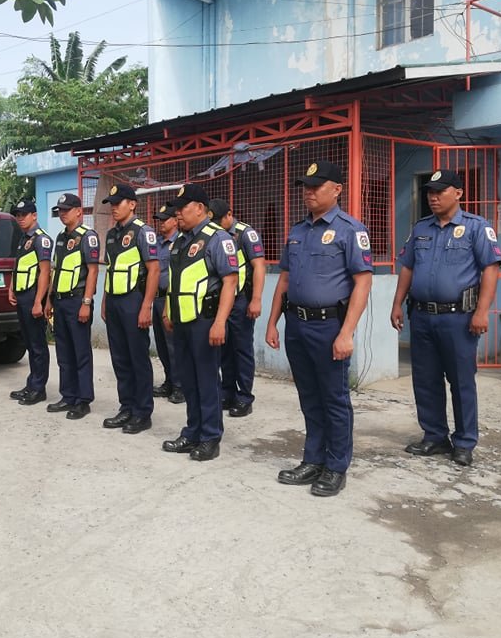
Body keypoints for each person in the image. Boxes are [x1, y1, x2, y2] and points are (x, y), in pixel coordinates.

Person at [265, 161, 373, 496]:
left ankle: (336, 466)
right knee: (309, 397)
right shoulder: (297, 231)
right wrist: (273, 322)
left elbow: (363, 283)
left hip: (330, 327)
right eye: (305, 186)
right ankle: (313, 459)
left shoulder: (350, 230)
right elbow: (284, 280)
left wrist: (347, 333)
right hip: (297, 324)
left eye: (316, 186)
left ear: (337, 189)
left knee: (334, 399)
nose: (308, 192)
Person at [390, 169, 501, 467]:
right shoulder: (421, 228)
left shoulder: (476, 228)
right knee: (425, 380)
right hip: (423, 316)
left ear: (458, 193)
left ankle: (465, 442)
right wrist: (397, 304)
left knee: (461, 381)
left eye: (440, 191)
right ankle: (435, 436)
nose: (433, 196)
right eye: (430, 191)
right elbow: (408, 268)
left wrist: (481, 311)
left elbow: (491, 269)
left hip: (459, 318)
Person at [160, 184, 239, 461]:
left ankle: (210, 436)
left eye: (183, 208)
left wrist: (220, 322)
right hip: (181, 322)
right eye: (176, 209)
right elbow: (175, 281)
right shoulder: (180, 241)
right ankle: (192, 430)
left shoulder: (217, 238)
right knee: (189, 380)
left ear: (201, 209)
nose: (177, 213)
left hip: (205, 321)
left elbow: (231, 281)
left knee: (206, 380)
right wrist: (168, 312)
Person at [99, 184, 159, 434]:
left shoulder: (143, 232)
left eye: (119, 202)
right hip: (114, 302)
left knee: (137, 358)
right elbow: (111, 269)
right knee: (120, 358)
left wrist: (147, 305)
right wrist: (104, 300)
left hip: (134, 301)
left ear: (132, 204)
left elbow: (154, 269)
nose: (114, 207)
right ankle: (126, 407)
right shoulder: (112, 234)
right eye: (112, 203)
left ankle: (142, 412)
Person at [209, 198, 266, 417]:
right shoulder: (215, 235)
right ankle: (227, 392)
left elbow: (259, 266)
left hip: (242, 299)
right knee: (224, 348)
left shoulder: (245, 234)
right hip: (223, 299)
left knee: (241, 349)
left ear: (229, 215)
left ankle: (244, 397)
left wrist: (257, 299)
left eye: (217, 220)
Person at [44, 193, 100, 420]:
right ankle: (68, 395)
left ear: (79, 211)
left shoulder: (88, 236)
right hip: (60, 300)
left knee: (81, 351)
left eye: (67, 210)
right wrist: (48, 299)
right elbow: (55, 270)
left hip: (78, 300)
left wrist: (86, 302)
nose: (63, 214)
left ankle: (83, 399)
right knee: (64, 351)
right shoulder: (60, 237)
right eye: (60, 211)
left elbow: (93, 270)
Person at [8, 199, 53, 405]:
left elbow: (45, 272)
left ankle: (38, 388)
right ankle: (31, 383)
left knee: (37, 345)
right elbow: (19, 266)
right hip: (22, 295)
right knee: (28, 342)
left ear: (34, 215)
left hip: (34, 296)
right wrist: (12, 288)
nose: (20, 218)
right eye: (17, 215)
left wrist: (38, 302)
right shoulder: (23, 238)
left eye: (24, 214)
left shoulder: (41, 239)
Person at [151, 203, 184, 404]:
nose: (161, 223)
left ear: (175, 220)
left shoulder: (180, 242)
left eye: (165, 219)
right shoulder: (155, 242)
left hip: (170, 299)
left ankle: (180, 386)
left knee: (174, 345)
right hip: (155, 298)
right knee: (162, 345)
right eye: (159, 220)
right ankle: (169, 381)